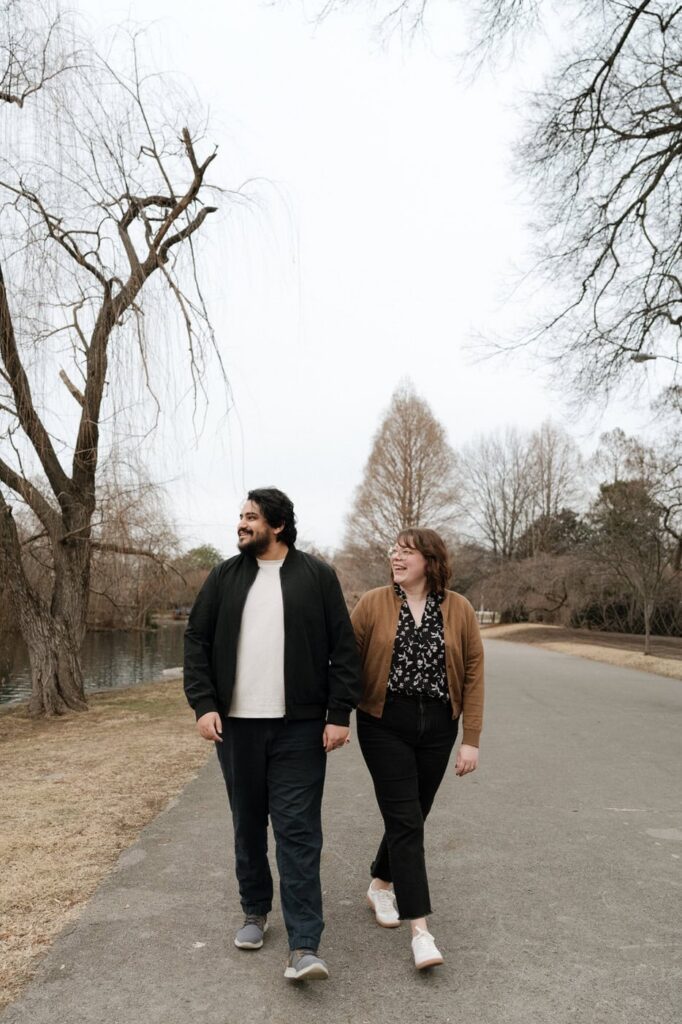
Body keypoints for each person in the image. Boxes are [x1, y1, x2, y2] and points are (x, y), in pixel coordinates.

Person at [183, 487, 362, 982]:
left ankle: (305, 945)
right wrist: (203, 704)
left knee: (298, 831)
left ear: (277, 525)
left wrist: (338, 713)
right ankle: (254, 911)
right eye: (240, 516)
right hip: (236, 728)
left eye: (251, 517)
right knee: (247, 824)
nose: (241, 524)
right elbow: (196, 639)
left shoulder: (316, 577)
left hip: (300, 728)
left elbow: (343, 649)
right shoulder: (224, 577)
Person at [350, 527, 484, 970]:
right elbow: (346, 661)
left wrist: (471, 740)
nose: (396, 556)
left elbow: (473, 674)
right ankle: (421, 932)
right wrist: (332, 717)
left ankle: (380, 882)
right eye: (393, 550)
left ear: (430, 560)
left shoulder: (459, 608)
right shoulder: (372, 603)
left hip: (439, 728)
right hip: (383, 722)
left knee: (413, 813)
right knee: (407, 819)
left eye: (406, 551)